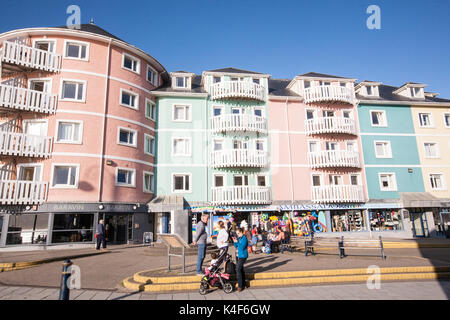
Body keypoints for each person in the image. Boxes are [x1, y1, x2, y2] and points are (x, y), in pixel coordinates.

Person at [232, 227, 248, 292]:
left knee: (238, 269)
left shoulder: (244, 238)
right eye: (237, 234)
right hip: (238, 255)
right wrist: (235, 241)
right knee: (241, 269)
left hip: (243, 256)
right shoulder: (239, 238)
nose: (237, 235)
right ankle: (243, 283)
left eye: (238, 233)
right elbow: (236, 246)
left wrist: (237, 242)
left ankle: (240, 286)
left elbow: (242, 247)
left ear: (241, 232)